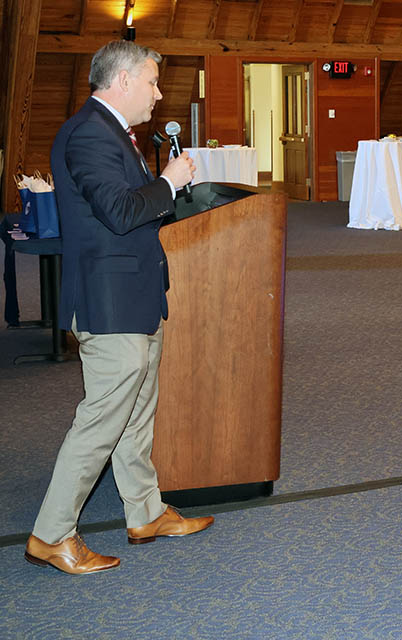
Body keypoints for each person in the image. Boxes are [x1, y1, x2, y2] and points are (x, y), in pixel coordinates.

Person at [25, 40, 211, 576]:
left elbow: (133, 210)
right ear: (123, 80)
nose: (157, 94)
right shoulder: (88, 134)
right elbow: (121, 211)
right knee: (101, 421)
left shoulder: (112, 133)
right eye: (152, 83)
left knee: (135, 415)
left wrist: (166, 190)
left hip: (134, 295)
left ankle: (146, 512)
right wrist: (169, 183)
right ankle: (51, 534)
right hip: (108, 303)